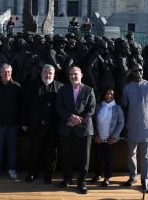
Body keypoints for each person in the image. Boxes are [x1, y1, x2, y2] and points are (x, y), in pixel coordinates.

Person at [56, 66, 96, 194]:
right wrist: (71, 117)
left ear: (81, 75)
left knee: (84, 157)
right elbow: (58, 106)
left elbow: (91, 109)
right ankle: (67, 178)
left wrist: (79, 120)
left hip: (84, 128)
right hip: (67, 126)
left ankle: (82, 181)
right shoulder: (63, 89)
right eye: (71, 74)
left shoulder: (89, 90)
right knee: (65, 154)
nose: (73, 76)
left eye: (76, 74)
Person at [121, 63, 148, 193]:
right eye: (135, 71)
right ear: (131, 72)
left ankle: (145, 179)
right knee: (131, 153)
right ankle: (133, 176)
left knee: (146, 155)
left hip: (146, 126)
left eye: (140, 70)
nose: (139, 72)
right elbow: (124, 108)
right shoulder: (127, 88)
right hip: (131, 125)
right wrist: (124, 126)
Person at [22, 64, 63, 184]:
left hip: (53, 126)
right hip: (36, 125)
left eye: (50, 73)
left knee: (50, 151)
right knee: (34, 150)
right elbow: (24, 105)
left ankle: (48, 174)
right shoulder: (31, 86)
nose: (48, 75)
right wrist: (24, 122)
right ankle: (32, 173)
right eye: (45, 72)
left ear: (54, 74)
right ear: (41, 73)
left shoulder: (60, 87)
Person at [0, 63, 23, 181]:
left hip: (13, 124)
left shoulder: (17, 86)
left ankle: (11, 169)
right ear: (0, 73)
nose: (7, 74)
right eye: (4, 72)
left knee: (12, 149)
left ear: (11, 72)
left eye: (9, 72)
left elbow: (21, 106)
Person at [91, 87, 124, 186]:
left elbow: (121, 123)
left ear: (114, 96)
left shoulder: (118, 108)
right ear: (104, 95)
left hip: (111, 140)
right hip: (99, 138)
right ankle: (97, 175)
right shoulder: (98, 106)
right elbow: (92, 121)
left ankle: (107, 178)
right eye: (107, 94)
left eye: (112, 94)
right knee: (98, 158)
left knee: (109, 160)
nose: (109, 96)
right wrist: (95, 135)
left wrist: (114, 136)